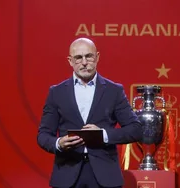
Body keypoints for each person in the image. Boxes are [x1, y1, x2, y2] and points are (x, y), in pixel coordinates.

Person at [37, 37, 142, 188]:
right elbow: (43, 134)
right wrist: (58, 143)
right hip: (67, 175)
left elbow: (136, 129)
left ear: (97, 57)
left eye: (89, 56)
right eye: (78, 58)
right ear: (70, 61)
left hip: (105, 177)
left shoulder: (114, 91)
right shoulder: (56, 92)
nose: (84, 62)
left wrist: (103, 135)